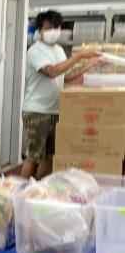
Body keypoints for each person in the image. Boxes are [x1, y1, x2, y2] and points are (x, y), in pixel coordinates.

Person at [21, 10, 103, 179]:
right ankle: (18, 194)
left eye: (57, 27)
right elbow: (51, 71)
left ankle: (39, 190)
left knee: (50, 156)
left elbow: (66, 77)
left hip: (56, 111)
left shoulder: (59, 50)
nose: (54, 31)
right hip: (37, 112)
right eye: (49, 28)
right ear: (40, 30)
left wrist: (89, 65)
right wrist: (79, 55)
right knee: (35, 157)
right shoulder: (35, 51)